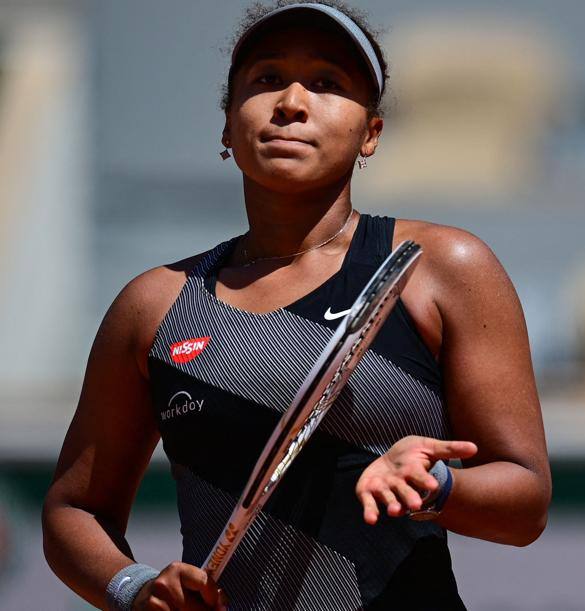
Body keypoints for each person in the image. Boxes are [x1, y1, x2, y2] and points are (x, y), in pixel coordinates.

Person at [41, 1, 552, 609]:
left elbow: (525, 502)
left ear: (372, 132)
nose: (291, 102)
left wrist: (434, 484)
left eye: (328, 83)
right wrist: (134, 587)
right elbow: (75, 509)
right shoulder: (152, 306)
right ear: (227, 127)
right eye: (266, 79)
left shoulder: (440, 267)